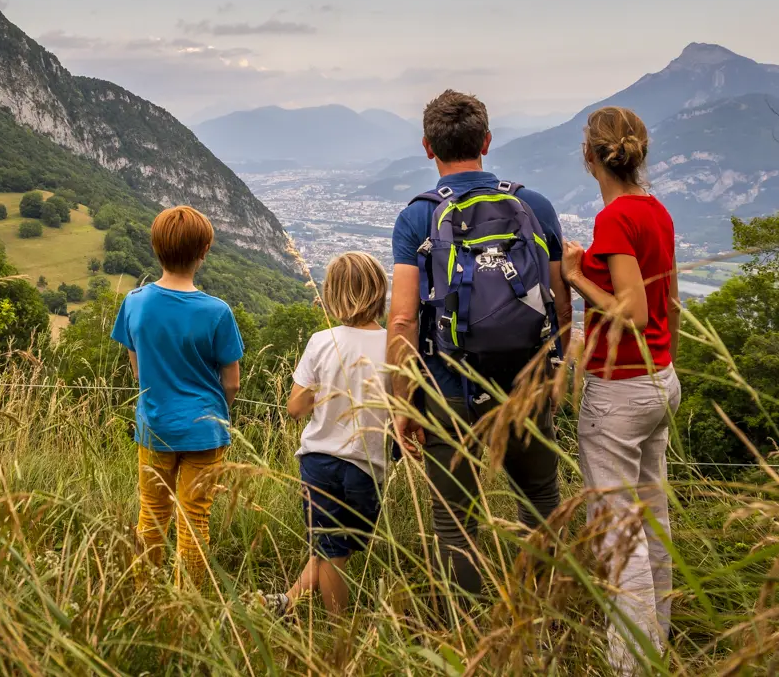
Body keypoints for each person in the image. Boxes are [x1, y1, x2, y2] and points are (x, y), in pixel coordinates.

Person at [387, 90, 574, 598]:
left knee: (455, 525)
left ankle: (466, 631)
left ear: (428, 147)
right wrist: (556, 373)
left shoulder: (418, 217)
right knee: (540, 503)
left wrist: (404, 402)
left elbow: (402, 319)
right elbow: (560, 304)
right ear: (487, 141)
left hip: (450, 389)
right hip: (527, 382)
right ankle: (542, 620)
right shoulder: (534, 206)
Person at [560, 106, 680, 675]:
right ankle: (657, 642)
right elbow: (668, 303)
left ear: (590, 156)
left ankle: (630, 663)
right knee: (652, 518)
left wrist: (575, 276)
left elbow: (633, 311)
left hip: (621, 390)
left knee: (617, 533)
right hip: (660, 379)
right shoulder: (656, 211)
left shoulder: (614, 220)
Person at [110, 205, 244, 589]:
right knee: (194, 519)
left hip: (154, 426)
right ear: (204, 251)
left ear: (156, 248)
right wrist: (216, 412)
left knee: (152, 515)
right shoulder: (218, 312)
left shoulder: (134, 302)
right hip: (205, 431)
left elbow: (138, 371)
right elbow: (232, 383)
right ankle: (188, 602)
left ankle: (145, 591)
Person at [261, 251, 390, 618]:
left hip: (318, 461)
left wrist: (324, 390)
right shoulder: (394, 345)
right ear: (380, 292)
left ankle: (331, 630)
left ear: (332, 295)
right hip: (367, 464)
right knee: (336, 548)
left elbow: (295, 408)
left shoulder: (322, 341)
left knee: (331, 548)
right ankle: (308, 614)